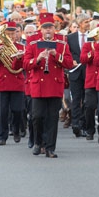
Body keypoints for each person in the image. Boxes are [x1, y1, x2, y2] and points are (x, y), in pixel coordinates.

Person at [23, 13, 74, 158]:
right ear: (40, 28)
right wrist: (37, 59)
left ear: (54, 28)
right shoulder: (32, 41)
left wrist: (56, 54)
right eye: (45, 28)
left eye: (50, 27)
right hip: (38, 84)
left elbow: (69, 63)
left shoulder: (62, 41)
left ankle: (50, 147)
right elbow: (26, 64)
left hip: (54, 84)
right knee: (37, 116)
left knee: (52, 118)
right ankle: (38, 142)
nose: (48, 30)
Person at [0, 21, 26, 145]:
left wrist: (19, 58)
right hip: (1, 82)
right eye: (7, 33)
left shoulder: (21, 47)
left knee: (17, 109)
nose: (10, 36)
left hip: (16, 81)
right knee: (2, 111)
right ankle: (1, 136)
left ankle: (15, 130)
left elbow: (24, 66)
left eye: (12, 33)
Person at [66, 13, 90, 137]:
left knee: (87, 100)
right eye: (86, 22)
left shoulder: (91, 37)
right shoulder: (70, 37)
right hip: (75, 72)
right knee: (76, 99)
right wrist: (71, 62)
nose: (88, 24)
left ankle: (85, 124)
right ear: (80, 23)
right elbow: (67, 53)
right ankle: (76, 124)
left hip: (89, 72)